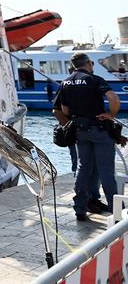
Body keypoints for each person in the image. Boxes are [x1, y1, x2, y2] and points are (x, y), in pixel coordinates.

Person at [54, 52, 120, 221]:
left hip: (80, 131)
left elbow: (64, 110)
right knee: (106, 171)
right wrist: (110, 114)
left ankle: (80, 208)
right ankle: (117, 212)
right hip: (98, 130)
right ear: (89, 63)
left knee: (83, 169)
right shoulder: (94, 79)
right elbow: (113, 98)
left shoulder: (66, 82)